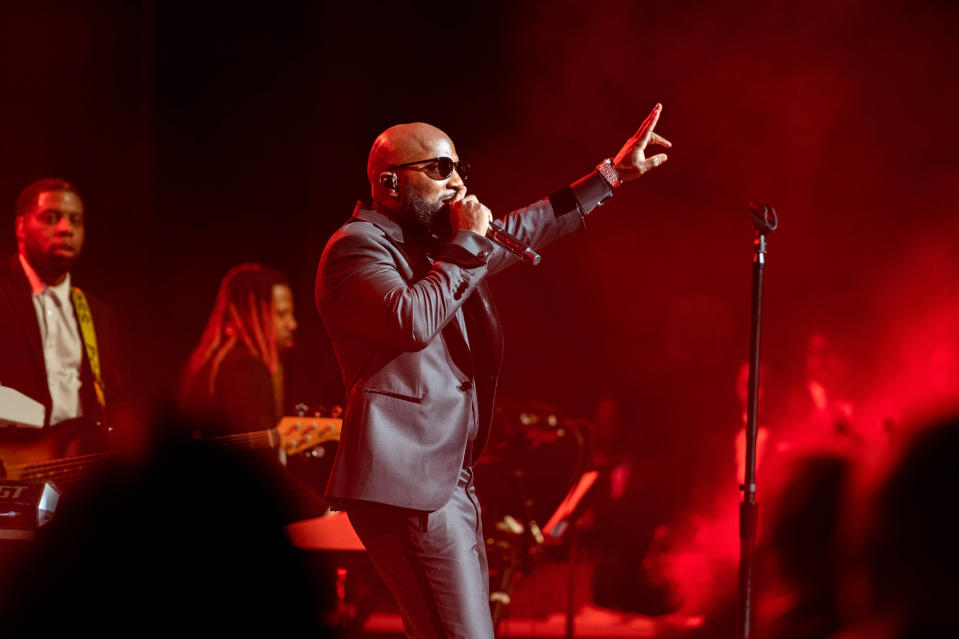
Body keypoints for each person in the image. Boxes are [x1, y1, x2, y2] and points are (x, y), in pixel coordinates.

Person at [314, 104, 671, 638]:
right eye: (439, 169)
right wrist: (466, 246)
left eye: (459, 168)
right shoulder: (356, 248)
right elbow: (411, 320)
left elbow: (527, 225)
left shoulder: (436, 250)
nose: (457, 183)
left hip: (443, 476)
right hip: (405, 482)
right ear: (389, 182)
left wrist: (611, 176)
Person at [0, 178, 130, 468]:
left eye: (76, 220)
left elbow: (113, 403)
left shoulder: (97, 313)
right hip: (9, 471)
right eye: (51, 217)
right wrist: (37, 419)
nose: (65, 229)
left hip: (76, 476)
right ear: (20, 226)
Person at [179, 263, 298, 435]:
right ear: (252, 313)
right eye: (281, 314)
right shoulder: (244, 366)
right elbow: (257, 455)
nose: (292, 324)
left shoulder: (217, 358)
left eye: (291, 313)